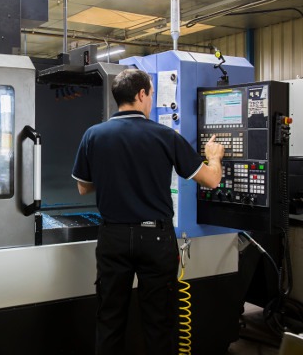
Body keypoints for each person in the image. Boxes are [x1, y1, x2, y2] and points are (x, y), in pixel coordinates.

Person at [71, 69, 225, 355]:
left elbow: (83, 187)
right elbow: (212, 180)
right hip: (155, 240)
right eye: (151, 94)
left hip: (113, 238)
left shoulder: (93, 135)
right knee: (159, 322)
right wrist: (214, 157)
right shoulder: (165, 136)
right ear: (141, 95)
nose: (152, 100)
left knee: (109, 319)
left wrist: (113, 174)